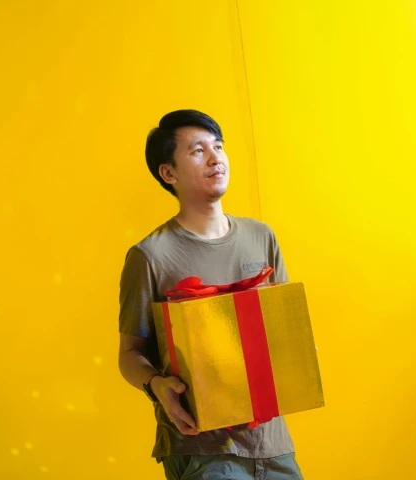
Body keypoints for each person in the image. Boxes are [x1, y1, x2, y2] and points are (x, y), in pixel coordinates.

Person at [118, 110, 304, 479]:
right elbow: (129, 354)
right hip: (200, 447)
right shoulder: (150, 255)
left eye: (218, 146)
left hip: (272, 441)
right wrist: (157, 384)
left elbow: (281, 328)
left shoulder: (260, 237)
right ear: (168, 173)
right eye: (197, 150)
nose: (215, 157)